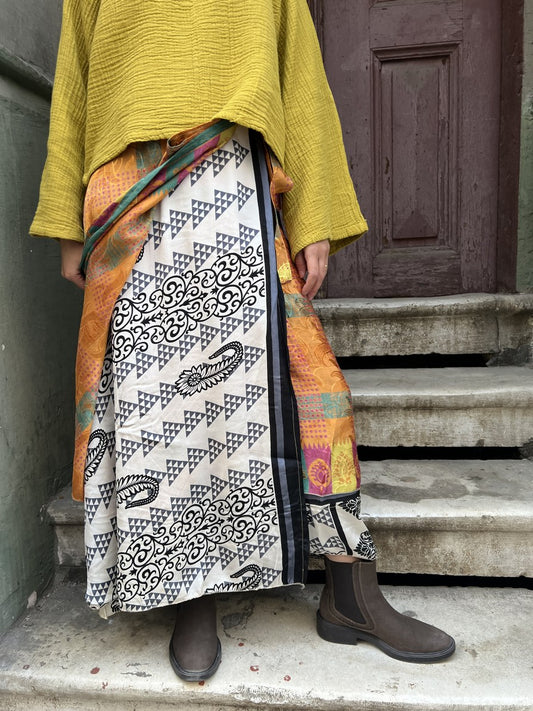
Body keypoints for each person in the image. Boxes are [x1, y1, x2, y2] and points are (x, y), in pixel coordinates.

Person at [31, 0, 455, 682]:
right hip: (130, 200)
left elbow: (299, 77)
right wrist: (63, 221)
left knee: (314, 389)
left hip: (237, 179)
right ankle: (190, 593)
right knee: (167, 408)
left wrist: (313, 215)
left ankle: (351, 591)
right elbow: (75, 83)